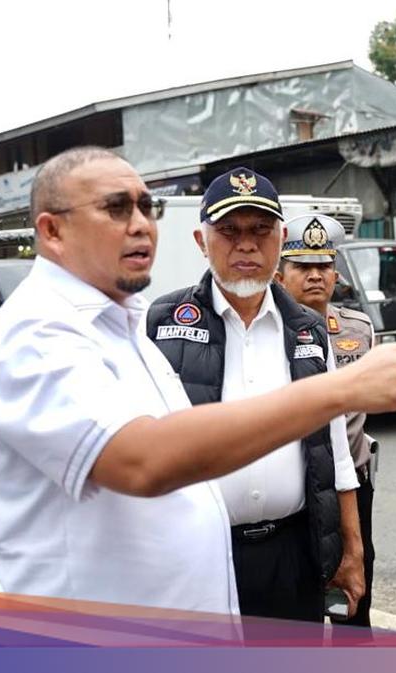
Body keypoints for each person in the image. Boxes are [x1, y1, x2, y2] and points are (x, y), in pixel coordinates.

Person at [0, 147, 396, 616]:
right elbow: (144, 460)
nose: (140, 225)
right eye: (115, 209)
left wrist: (347, 544)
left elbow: (328, 454)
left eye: (146, 207)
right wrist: (343, 389)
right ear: (52, 231)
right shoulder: (37, 335)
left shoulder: (121, 324)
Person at [146, 168, 364, 624]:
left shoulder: (307, 330)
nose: (246, 245)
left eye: (261, 230)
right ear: (201, 240)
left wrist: (351, 550)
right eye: (229, 231)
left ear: (281, 240)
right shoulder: (161, 325)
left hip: (292, 555)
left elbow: (336, 449)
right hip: (198, 554)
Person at [274, 213, 378, 628]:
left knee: (355, 591)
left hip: (353, 483)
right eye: (302, 266)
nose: (315, 275)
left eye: (324, 266)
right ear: (280, 277)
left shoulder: (359, 328)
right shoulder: (268, 333)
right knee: (301, 593)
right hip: (298, 484)